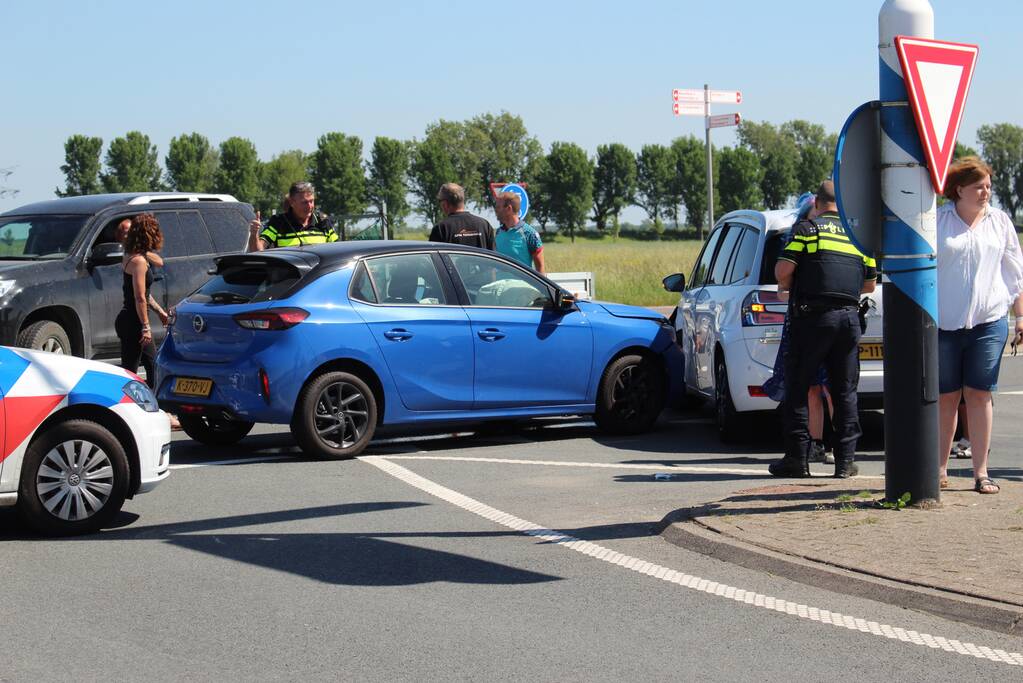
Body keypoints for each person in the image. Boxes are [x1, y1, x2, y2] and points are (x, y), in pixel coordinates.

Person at [768, 180, 877, 478]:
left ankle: (797, 460)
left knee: (799, 388)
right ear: (840, 204)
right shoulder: (858, 237)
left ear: (816, 202)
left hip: (813, 319)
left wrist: (791, 282)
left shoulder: (807, 230)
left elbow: (782, 271)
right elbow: (869, 283)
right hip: (849, 320)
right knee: (844, 391)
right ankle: (844, 463)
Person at [936, 157, 1023, 494]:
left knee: (979, 393)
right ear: (959, 189)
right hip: (944, 323)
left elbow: (1015, 275)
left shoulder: (1000, 222)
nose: (986, 191)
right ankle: (939, 469)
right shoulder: (938, 221)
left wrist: (1019, 316)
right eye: (979, 186)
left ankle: (980, 473)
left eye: (989, 185)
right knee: (946, 396)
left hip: (989, 321)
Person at [762, 193, 835, 464]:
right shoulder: (797, 240)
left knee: (832, 388)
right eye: (812, 217)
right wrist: (789, 291)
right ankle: (815, 444)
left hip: (825, 321)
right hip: (802, 320)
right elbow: (782, 283)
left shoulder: (839, 239)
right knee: (811, 388)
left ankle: (838, 446)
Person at [117, 213, 169, 388]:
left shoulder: (134, 256)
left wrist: (160, 312)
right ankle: (123, 407)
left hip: (133, 321)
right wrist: (145, 326)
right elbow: (139, 297)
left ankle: (155, 405)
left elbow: (145, 294)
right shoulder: (138, 261)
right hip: (134, 323)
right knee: (130, 372)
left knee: (153, 365)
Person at [248, 181, 338, 251]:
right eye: (304, 202)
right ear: (292, 202)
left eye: (312, 201)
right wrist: (254, 233)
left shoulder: (323, 222)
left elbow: (339, 250)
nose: (310, 206)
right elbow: (257, 250)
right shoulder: (278, 222)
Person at [429, 183, 495, 249]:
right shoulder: (484, 225)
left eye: (440, 201)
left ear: (445, 204)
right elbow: (493, 256)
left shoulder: (441, 229)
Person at [494, 191, 545, 273]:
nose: (495, 210)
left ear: (509, 209)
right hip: (500, 285)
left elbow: (540, 267)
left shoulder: (530, 233)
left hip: (521, 285)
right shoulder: (499, 232)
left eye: (498, 207)